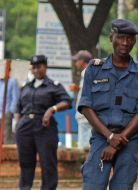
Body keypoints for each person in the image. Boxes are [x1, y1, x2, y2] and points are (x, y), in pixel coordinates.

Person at [78, 19, 138, 190]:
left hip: (129, 140)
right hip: (101, 138)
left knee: (123, 187)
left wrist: (118, 140)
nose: (125, 43)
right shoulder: (94, 69)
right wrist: (110, 138)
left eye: (130, 39)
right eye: (121, 37)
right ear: (111, 37)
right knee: (93, 186)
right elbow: (86, 107)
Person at [15, 55, 71, 190]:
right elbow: (19, 108)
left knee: (48, 163)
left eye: (39, 67)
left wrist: (52, 109)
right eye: (34, 68)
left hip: (45, 128)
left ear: (45, 68)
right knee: (26, 162)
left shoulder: (53, 86)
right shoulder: (26, 86)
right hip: (25, 128)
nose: (36, 70)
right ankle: (24, 188)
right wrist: (17, 126)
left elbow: (67, 101)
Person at [72, 50, 93, 149]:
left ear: (82, 61)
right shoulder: (92, 71)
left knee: (84, 147)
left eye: (77, 60)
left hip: (85, 114)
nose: (75, 63)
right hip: (88, 114)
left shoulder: (87, 72)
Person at [0, 75, 20, 144]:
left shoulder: (12, 81)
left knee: (7, 136)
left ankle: (7, 154)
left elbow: (16, 98)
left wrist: (10, 112)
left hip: (7, 113)